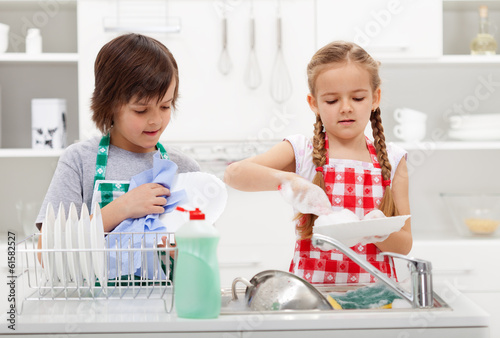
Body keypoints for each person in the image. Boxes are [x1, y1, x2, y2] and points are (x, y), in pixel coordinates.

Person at [224, 41, 411, 284]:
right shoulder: (303, 151)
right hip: (312, 299)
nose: (345, 108)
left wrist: (376, 231)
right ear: (314, 104)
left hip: (375, 300)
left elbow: (404, 245)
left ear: (375, 98)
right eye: (332, 101)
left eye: (357, 97)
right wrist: (287, 180)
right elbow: (234, 174)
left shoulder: (394, 159)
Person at [35, 33, 199, 237]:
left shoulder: (186, 171)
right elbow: (47, 252)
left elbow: (203, 251)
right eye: (141, 110)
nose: (156, 120)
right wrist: (123, 207)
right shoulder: (79, 161)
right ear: (110, 105)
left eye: (165, 106)